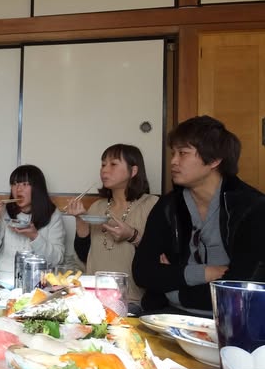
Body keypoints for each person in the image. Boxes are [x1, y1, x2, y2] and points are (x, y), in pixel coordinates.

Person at [132, 115, 265, 315]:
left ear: (214, 160)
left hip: (231, 319)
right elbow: (142, 272)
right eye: (173, 153)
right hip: (167, 316)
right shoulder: (168, 206)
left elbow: (241, 288)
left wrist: (174, 288)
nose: (173, 161)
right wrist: (206, 273)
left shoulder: (252, 208)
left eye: (183, 153)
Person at [64, 144, 158, 315]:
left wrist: (132, 235)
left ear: (133, 170)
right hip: (93, 297)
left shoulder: (152, 204)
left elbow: (159, 256)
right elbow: (85, 255)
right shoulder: (97, 207)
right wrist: (80, 219)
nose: (104, 170)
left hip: (131, 300)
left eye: (113, 164)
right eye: (103, 164)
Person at [0, 164, 66, 288]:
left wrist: (34, 236)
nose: (18, 189)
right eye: (14, 184)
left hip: (40, 281)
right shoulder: (4, 211)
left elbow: (57, 259)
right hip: (5, 280)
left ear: (37, 188)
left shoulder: (52, 214)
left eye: (25, 184)